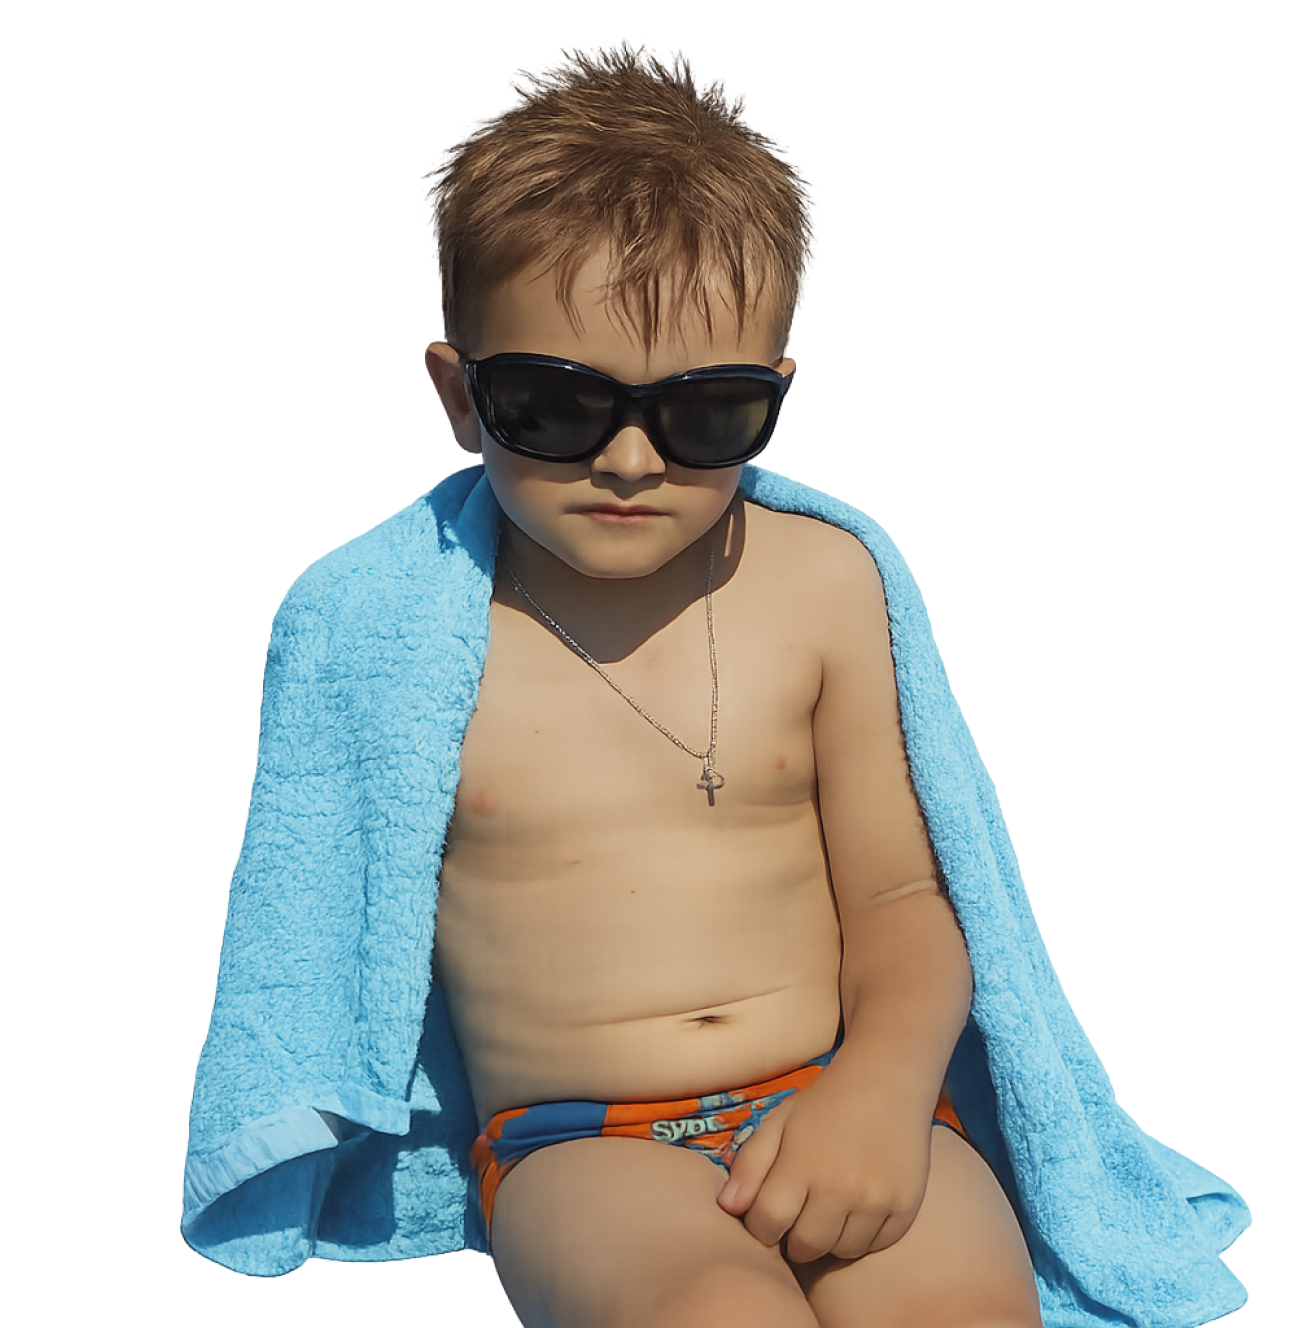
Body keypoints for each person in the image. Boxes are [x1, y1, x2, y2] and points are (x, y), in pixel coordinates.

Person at [182, 39, 1249, 1328]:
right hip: (582, 1142)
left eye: (704, 415)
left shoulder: (824, 586)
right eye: (553, 405)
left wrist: (882, 1089)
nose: (631, 459)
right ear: (460, 397)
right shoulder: (376, 635)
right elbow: (321, 922)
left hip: (846, 1087)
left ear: (774, 400)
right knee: (708, 1313)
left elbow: (906, 894)